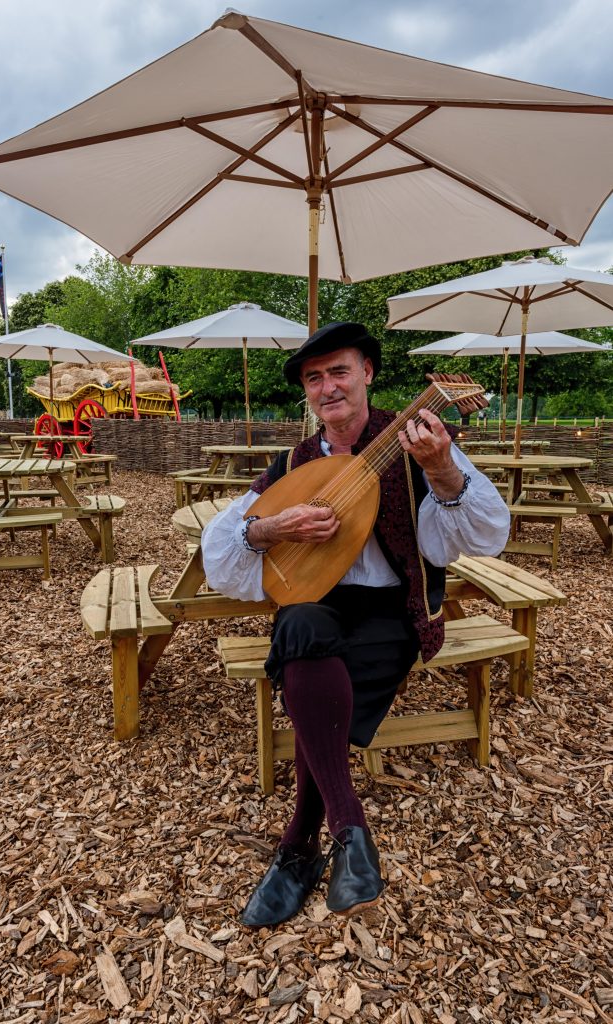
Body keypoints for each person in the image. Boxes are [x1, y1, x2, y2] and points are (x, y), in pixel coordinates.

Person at [201, 322, 510, 928]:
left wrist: (443, 471)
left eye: (338, 371)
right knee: (300, 624)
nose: (326, 387)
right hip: (317, 601)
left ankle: (297, 848)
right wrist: (271, 530)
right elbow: (225, 545)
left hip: (393, 614)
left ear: (368, 371)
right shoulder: (295, 462)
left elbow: (477, 536)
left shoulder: (416, 440)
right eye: (314, 378)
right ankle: (350, 830)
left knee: (302, 655)